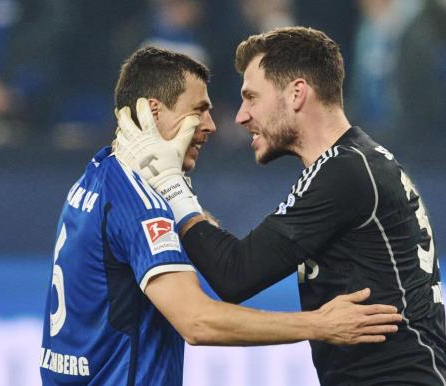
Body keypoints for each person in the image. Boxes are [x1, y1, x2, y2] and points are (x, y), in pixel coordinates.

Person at [115, 28, 446, 385]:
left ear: (297, 93)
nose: (240, 116)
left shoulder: (345, 173)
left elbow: (234, 275)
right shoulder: (352, 164)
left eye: (251, 97)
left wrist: (171, 185)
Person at [40, 46, 403, 386]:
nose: (211, 125)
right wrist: (319, 324)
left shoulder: (98, 176)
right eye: (199, 110)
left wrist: (175, 192)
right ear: (153, 112)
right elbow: (196, 321)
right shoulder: (139, 200)